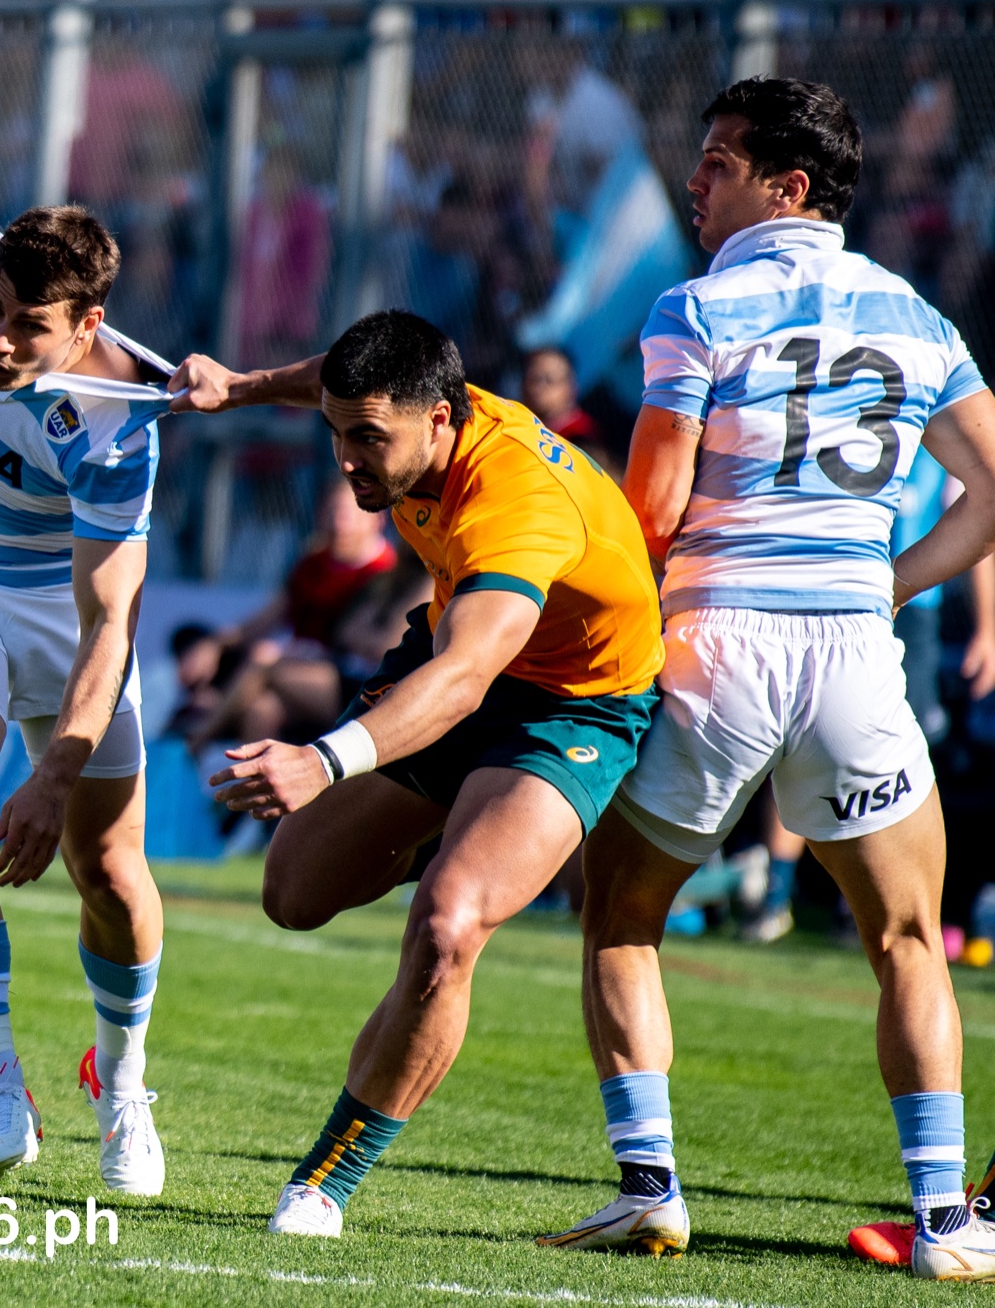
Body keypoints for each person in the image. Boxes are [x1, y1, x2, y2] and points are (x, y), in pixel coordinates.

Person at [537, 78, 995, 1281]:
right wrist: (891, 583)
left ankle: (646, 1188)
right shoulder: (915, 317)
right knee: (904, 936)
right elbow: (994, 486)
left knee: (619, 918)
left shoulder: (696, 305)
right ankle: (943, 1222)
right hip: (851, 651)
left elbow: (651, 503)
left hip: (714, 644)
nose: (694, 181)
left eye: (717, 163)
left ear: (782, 188)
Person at [171, 309, 666, 1239]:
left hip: (571, 705)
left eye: (369, 440)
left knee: (446, 927)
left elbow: (466, 677)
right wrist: (236, 386)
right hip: (448, 660)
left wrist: (324, 761)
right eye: (337, 434)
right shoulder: (417, 400)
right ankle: (453, 831)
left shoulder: (515, 496)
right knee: (294, 890)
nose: (348, 459)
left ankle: (327, 1178)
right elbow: (332, 371)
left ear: (440, 420)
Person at [0, 209, 176, 1194]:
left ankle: (121, 1078)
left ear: (88, 320)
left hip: (65, 604)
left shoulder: (117, 425)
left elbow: (108, 626)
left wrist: (54, 775)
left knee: (109, 871)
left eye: (28, 327)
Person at [185, 478, 420, 749]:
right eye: (331, 512)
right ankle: (246, 787)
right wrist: (214, 643)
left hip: (347, 680)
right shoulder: (313, 564)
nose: (338, 524)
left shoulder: (383, 573)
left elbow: (369, 640)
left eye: (347, 514)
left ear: (377, 520)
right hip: (304, 669)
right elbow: (266, 619)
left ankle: (200, 739)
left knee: (263, 661)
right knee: (262, 710)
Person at [519, 345, 614, 470]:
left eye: (548, 380)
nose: (538, 387)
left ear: (570, 387)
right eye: (533, 378)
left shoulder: (581, 437)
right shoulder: (521, 427)